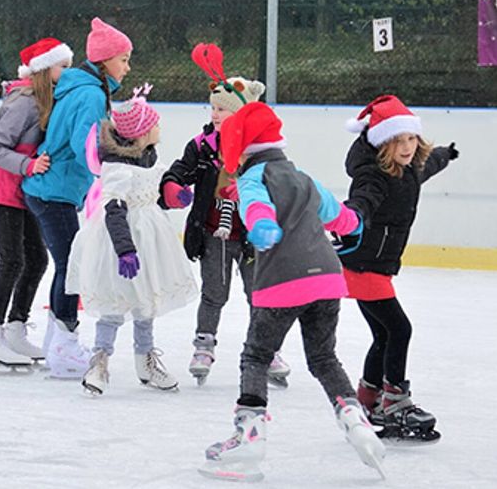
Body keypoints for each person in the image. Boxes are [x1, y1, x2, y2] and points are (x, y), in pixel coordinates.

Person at [200, 102, 384, 483]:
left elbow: (256, 207)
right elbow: (342, 218)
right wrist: (354, 225)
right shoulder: (304, 178)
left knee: (256, 356)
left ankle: (249, 437)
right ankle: (355, 420)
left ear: (241, 149)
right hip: (327, 279)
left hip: (282, 281)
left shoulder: (253, 179)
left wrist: (263, 225)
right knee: (323, 357)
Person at [160, 43, 291, 387]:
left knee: (259, 293)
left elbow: (281, 184)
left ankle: (268, 349)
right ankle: (204, 345)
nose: (216, 114)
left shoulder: (259, 151)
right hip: (214, 232)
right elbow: (179, 171)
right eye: (213, 107)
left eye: (223, 109)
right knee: (214, 293)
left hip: (251, 236)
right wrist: (171, 188)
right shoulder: (202, 145)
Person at [340, 95, 457, 444]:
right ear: (380, 145)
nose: (407, 147)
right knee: (399, 329)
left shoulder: (410, 169)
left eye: (411, 139)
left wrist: (445, 155)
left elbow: (428, 164)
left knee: (384, 334)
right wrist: (353, 215)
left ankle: (367, 397)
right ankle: (394, 400)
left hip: (374, 266)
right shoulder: (373, 177)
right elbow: (363, 198)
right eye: (397, 142)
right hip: (363, 266)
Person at [21, 17, 131, 379]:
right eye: (124, 59)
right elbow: (86, 144)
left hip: (55, 191)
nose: (127, 68)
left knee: (69, 265)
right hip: (54, 192)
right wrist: (117, 160)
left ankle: (58, 338)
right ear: (104, 61)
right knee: (73, 266)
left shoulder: (79, 87)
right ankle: (65, 345)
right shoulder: (91, 93)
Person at [70, 87, 198, 395]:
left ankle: (146, 362)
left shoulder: (149, 157)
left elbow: (153, 195)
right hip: (120, 243)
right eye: (154, 124)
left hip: (151, 241)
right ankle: (99, 362)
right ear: (141, 134)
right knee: (115, 302)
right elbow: (114, 210)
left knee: (146, 302)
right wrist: (125, 251)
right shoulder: (118, 169)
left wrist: (174, 198)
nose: (159, 128)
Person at [0, 38, 70, 367]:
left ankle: (15, 328)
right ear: (45, 69)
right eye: (63, 66)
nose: (67, 72)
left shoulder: (48, 99)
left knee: (37, 261)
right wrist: (29, 165)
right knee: (12, 261)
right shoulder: (24, 100)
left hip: (28, 191)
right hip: (5, 190)